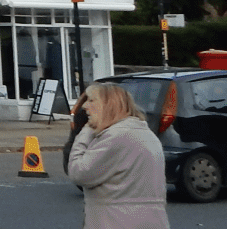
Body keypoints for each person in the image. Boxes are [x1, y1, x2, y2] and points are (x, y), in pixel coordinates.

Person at [65, 84, 168, 229]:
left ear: (109, 105)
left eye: (92, 100)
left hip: (115, 222)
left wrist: (85, 132)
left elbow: (79, 172)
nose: (85, 106)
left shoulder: (115, 137)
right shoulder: (147, 134)